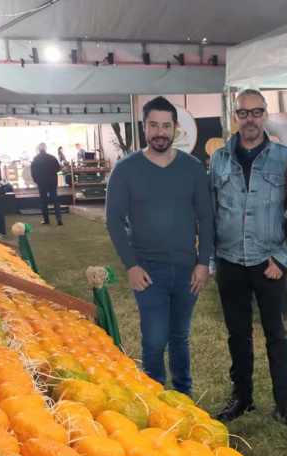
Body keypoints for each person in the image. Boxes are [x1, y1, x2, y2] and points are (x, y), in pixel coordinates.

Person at [105, 96, 213, 398]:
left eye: (166, 125)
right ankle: (153, 400)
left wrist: (203, 262)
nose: (160, 132)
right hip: (148, 271)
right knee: (153, 340)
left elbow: (206, 217)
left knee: (180, 336)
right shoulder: (126, 170)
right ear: (144, 127)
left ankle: (183, 397)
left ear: (176, 128)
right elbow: (113, 220)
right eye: (154, 125)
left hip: (186, 269)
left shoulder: (191, 169)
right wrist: (131, 266)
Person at [209, 90, 287, 427]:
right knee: (238, 334)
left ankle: (285, 402)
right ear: (234, 117)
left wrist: (284, 258)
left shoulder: (285, 158)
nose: (249, 119)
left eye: (256, 112)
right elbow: (209, 213)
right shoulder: (219, 160)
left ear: (265, 116)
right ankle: (242, 397)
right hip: (229, 261)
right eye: (243, 113)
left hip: (270, 263)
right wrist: (211, 261)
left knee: (277, 334)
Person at [31, 142, 63, 226]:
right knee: (55, 200)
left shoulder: (36, 159)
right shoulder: (52, 157)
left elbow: (33, 171)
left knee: (43, 201)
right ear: (46, 148)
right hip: (52, 181)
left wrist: (36, 180)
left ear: (38, 149)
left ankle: (46, 220)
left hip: (41, 182)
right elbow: (58, 168)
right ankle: (59, 219)